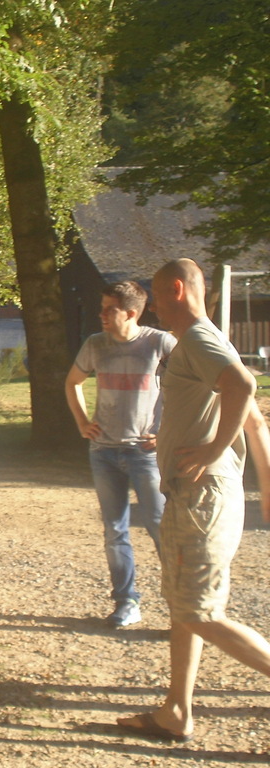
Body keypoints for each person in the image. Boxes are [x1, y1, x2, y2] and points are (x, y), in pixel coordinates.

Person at [117, 258, 270, 743]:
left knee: (200, 613)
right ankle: (176, 711)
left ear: (178, 290)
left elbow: (243, 387)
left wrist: (213, 449)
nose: (154, 309)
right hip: (198, 497)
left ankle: (178, 710)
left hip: (201, 498)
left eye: (159, 296)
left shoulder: (201, 338)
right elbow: (254, 419)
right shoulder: (205, 342)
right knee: (184, 606)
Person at [65, 281, 176, 628]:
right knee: (115, 530)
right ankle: (126, 602)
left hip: (145, 452)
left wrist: (166, 431)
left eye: (108, 309)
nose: (101, 315)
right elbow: (73, 382)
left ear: (130, 313)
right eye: (101, 308)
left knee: (160, 526)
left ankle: (181, 606)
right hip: (104, 451)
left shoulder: (160, 343)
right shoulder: (95, 344)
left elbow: (192, 386)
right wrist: (83, 423)